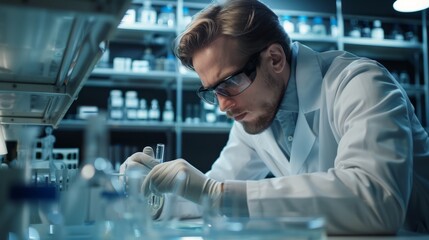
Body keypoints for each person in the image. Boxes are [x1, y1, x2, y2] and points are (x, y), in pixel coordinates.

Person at [120, 0, 429, 234]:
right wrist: (158, 192)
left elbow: (376, 201)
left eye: (229, 83)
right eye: (212, 91)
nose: (223, 106)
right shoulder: (253, 114)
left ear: (275, 59)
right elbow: (216, 189)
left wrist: (214, 194)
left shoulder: (359, 82)